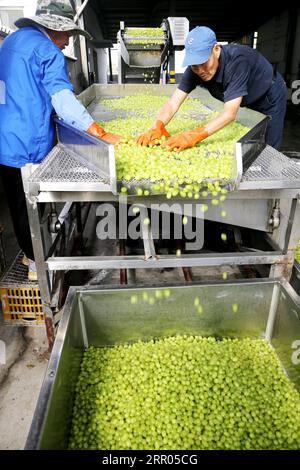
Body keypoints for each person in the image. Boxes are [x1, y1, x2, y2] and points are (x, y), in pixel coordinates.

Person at [0, 1, 122, 281]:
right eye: (67, 35)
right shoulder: (46, 52)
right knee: (31, 206)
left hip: (4, 138)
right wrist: (99, 133)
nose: (67, 44)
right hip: (26, 144)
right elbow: (63, 100)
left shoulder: (12, 42)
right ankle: (38, 265)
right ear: (53, 29)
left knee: (17, 202)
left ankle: (31, 253)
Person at [137, 26, 287, 152]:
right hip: (245, 98)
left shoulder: (238, 61)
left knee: (268, 147)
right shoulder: (195, 68)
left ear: (216, 49)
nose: (200, 70)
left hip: (268, 95)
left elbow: (229, 114)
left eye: (203, 62)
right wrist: (157, 125)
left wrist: (194, 135)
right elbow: (173, 103)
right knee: (252, 140)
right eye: (195, 65)